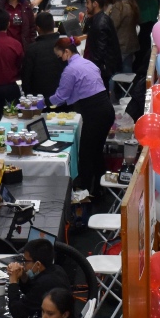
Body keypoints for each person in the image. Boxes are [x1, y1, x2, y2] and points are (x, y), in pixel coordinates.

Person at [50, 36, 115, 199]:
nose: (59, 60)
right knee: (96, 150)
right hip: (106, 109)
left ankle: (85, 191)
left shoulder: (70, 70)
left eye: (59, 56)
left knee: (86, 153)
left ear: (66, 52)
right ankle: (100, 187)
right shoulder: (88, 63)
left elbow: (62, 95)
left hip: (95, 113)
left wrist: (43, 102)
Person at [5, 238, 71, 318]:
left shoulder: (45, 283)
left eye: (26, 261)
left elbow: (17, 312)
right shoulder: (57, 269)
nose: (23, 265)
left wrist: (13, 281)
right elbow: (32, 291)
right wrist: (23, 276)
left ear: (38, 264)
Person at [79, 0, 121, 86]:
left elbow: (100, 51)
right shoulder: (98, 18)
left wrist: (91, 68)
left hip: (100, 69)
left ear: (95, 4)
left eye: (87, 3)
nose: (86, 6)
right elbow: (85, 30)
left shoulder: (100, 24)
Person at [22, 12, 63, 100]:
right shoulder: (65, 45)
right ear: (53, 25)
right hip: (64, 98)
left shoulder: (32, 49)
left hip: (39, 101)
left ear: (38, 28)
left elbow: (26, 79)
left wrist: (29, 98)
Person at [108, 0, 139, 74]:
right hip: (131, 44)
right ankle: (128, 88)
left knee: (114, 73)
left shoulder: (119, 6)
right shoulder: (132, 4)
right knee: (127, 71)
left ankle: (113, 89)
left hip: (120, 45)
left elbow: (112, 26)